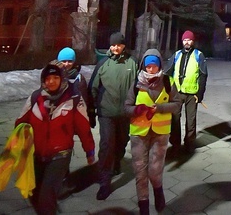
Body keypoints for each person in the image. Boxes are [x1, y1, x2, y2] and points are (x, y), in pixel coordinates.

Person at [15, 63, 95, 214]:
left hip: (61, 154)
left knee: (47, 195)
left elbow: (84, 127)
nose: (51, 81)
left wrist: (89, 150)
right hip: (37, 154)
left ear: (62, 79)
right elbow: (20, 123)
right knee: (34, 193)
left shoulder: (74, 99)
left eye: (55, 78)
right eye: (48, 78)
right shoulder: (35, 98)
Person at [125, 49, 182, 215]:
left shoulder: (167, 82)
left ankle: (158, 190)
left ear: (159, 66)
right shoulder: (136, 83)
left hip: (160, 133)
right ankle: (143, 204)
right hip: (139, 133)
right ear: (143, 66)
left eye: (154, 66)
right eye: (148, 66)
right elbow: (126, 107)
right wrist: (137, 110)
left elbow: (177, 104)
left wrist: (161, 108)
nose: (151, 69)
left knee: (154, 170)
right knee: (139, 170)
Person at [89, 32, 138, 200]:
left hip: (125, 113)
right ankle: (104, 181)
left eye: (119, 45)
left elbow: (139, 87)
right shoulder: (103, 64)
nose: (115, 47)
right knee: (107, 145)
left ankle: (117, 162)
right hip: (106, 113)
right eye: (113, 45)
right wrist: (91, 111)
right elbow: (93, 88)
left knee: (122, 141)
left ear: (124, 45)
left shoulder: (132, 63)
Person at [165, 30, 207, 155]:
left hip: (192, 93)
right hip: (177, 92)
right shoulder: (177, 54)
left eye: (189, 40)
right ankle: (175, 143)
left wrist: (200, 94)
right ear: (182, 41)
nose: (187, 42)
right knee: (175, 119)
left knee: (191, 120)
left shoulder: (199, 55)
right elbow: (167, 72)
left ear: (193, 41)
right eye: (185, 40)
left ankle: (189, 143)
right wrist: (168, 90)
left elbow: (203, 75)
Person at [54, 47, 93, 125]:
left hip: (72, 116)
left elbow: (85, 99)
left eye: (70, 61)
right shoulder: (53, 76)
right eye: (64, 61)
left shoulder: (79, 78)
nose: (66, 64)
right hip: (56, 115)